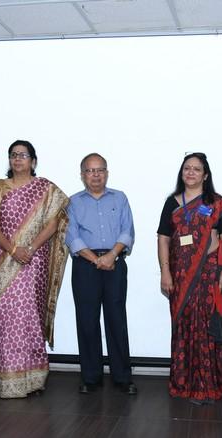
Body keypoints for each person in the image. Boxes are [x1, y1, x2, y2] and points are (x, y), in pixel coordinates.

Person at [0, 140, 69, 398]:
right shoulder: (0, 186)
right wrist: (13, 249)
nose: (18, 159)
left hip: (34, 261)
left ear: (33, 160)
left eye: (23, 155)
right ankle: (4, 380)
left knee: (30, 318)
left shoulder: (45, 188)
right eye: (13, 155)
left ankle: (33, 380)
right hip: (5, 260)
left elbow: (54, 223)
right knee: (6, 318)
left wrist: (30, 249)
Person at [157, 152, 222, 405]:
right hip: (180, 277)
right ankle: (184, 385)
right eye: (187, 168)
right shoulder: (172, 203)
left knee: (207, 329)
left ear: (205, 175)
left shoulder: (217, 203)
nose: (190, 173)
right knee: (184, 328)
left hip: (209, 275)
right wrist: (165, 272)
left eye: (196, 169)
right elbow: (163, 239)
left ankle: (208, 387)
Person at [66, 153, 137, 395]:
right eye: (90, 170)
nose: (95, 175)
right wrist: (96, 259)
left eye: (100, 170)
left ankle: (122, 377)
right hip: (85, 265)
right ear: (82, 175)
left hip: (114, 262)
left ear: (107, 173)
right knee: (87, 321)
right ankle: (90, 377)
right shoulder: (74, 202)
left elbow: (127, 230)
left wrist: (111, 255)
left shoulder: (120, 197)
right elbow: (72, 236)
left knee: (116, 320)